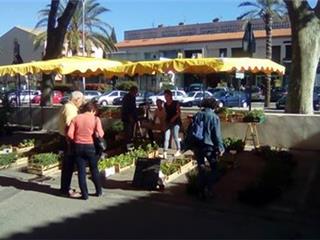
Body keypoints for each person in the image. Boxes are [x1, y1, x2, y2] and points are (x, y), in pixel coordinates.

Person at [67, 102, 104, 200]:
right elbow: (100, 134)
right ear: (92, 110)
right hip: (90, 147)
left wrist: (77, 139)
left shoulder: (76, 118)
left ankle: (85, 194)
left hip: (78, 147)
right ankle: (98, 191)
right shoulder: (96, 119)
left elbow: (70, 134)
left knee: (81, 171)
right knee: (94, 169)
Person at [192, 98, 224, 200]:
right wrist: (220, 147)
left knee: (201, 168)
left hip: (197, 145)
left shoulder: (197, 115)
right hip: (208, 146)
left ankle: (200, 191)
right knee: (215, 169)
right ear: (214, 106)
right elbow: (217, 135)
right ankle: (208, 187)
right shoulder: (214, 117)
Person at [58, 90, 84, 197]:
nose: (82, 102)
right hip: (68, 139)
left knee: (68, 165)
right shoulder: (70, 109)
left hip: (65, 138)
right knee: (68, 165)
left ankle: (65, 187)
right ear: (77, 99)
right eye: (81, 100)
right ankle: (65, 189)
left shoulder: (69, 107)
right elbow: (70, 125)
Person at [161, 89, 182, 159]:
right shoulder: (165, 104)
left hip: (176, 122)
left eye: (167, 96)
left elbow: (179, 113)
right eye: (165, 96)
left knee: (175, 136)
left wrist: (173, 118)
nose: (165, 97)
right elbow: (164, 114)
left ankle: (179, 149)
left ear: (170, 96)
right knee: (166, 137)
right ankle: (165, 152)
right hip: (168, 121)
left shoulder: (176, 103)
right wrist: (164, 123)